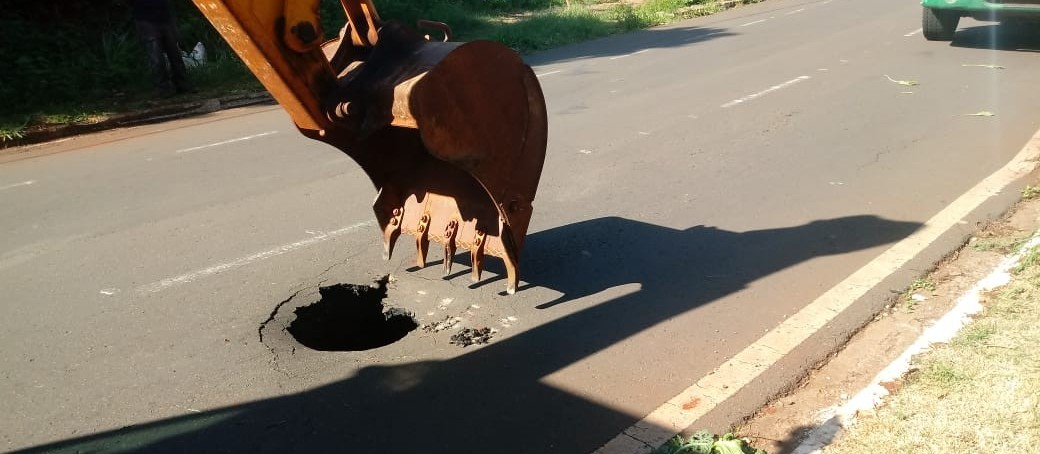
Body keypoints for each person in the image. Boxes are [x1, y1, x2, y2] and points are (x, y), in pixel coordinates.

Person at [132, 0, 196, 97]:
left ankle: (181, 83)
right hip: (145, 18)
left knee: (175, 53)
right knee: (156, 56)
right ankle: (163, 88)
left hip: (165, 16)